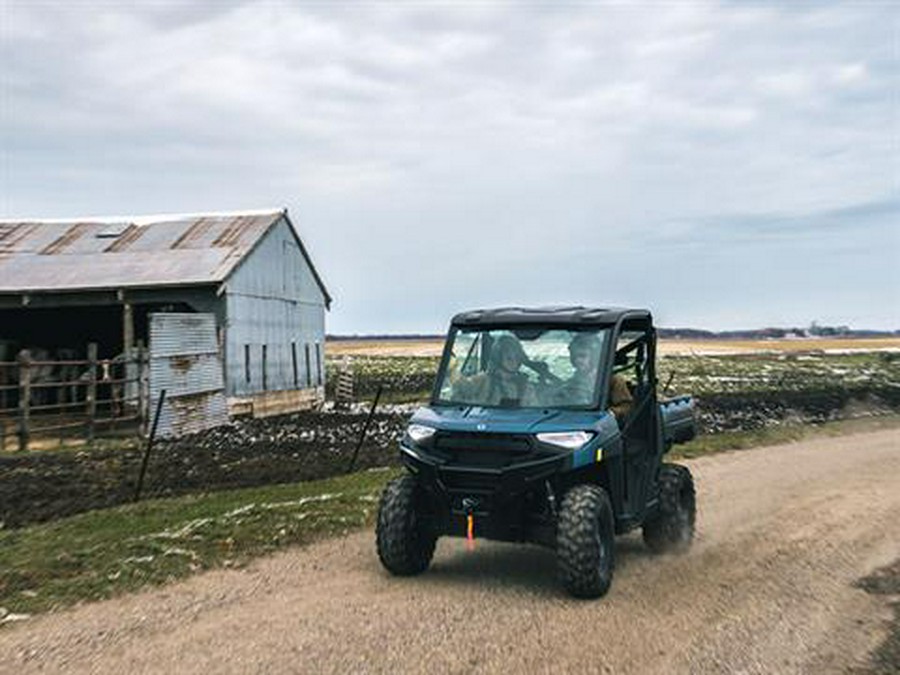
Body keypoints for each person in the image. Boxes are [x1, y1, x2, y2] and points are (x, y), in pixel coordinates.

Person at [558, 333, 633, 420]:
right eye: (574, 356)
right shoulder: (573, 381)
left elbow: (627, 407)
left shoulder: (613, 380)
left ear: (594, 356)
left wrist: (610, 413)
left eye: (582, 356)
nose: (577, 360)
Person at [451, 333, 538, 406]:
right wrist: (452, 369)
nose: (514, 362)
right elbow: (462, 388)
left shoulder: (525, 385)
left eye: (517, 357)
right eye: (509, 358)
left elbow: (534, 411)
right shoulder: (484, 380)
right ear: (498, 358)